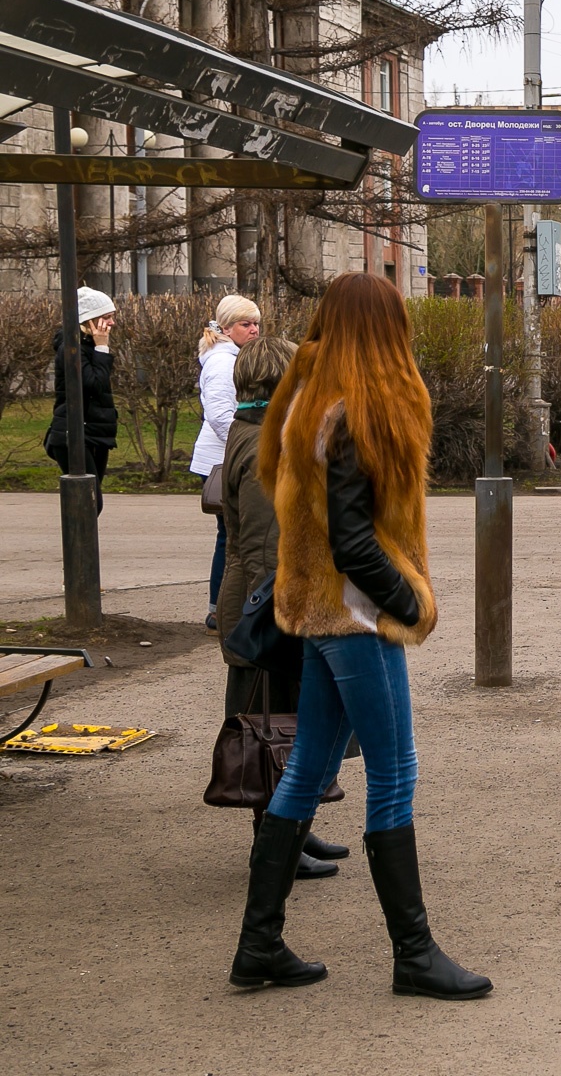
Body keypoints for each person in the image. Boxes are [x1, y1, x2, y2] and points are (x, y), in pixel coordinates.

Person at [230, 272, 489, 1000]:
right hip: (355, 616)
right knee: (396, 770)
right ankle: (413, 953)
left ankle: (259, 946)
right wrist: (411, 600)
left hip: (316, 609)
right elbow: (353, 539)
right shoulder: (356, 410)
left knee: (310, 764)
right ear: (385, 330)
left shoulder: (305, 402)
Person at [214, 335, 344, 881]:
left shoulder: (250, 432)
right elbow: (269, 544)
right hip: (264, 606)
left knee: (287, 720)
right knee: (269, 726)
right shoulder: (268, 441)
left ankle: (293, 828)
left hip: (254, 597)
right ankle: (273, 847)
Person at [192, 295, 264, 631]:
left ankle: (221, 609)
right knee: (232, 537)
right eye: (245, 324)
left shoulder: (233, 355)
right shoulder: (222, 362)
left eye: (255, 323)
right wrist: (252, 446)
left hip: (228, 457)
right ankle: (220, 611)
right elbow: (221, 417)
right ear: (225, 328)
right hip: (224, 461)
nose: (253, 330)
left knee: (233, 537)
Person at [43, 286, 118, 516]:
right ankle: (78, 551)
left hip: (94, 433)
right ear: (89, 321)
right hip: (74, 435)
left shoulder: (88, 346)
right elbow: (94, 384)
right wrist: (103, 348)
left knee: (90, 501)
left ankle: (82, 552)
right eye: (106, 318)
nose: (112, 323)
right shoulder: (73, 348)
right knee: (89, 501)